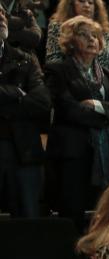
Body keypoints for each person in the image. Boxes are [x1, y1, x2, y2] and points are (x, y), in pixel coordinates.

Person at [45, 15, 109, 228]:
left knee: (107, 215)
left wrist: (96, 104)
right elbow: (70, 110)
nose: (92, 39)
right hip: (74, 154)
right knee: (73, 216)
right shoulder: (58, 70)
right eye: (84, 35)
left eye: (95, 35)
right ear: (71, 41)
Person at [0, 9, 50, 218]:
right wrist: (16, 92)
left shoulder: (25, 59)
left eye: (2, 15)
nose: (1, 19)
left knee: (28, 225)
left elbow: (43, 102)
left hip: (23, 150)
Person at [45, 0, 109, 82]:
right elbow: (53, 61)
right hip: (70, 84)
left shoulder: (107, 34)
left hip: (104, 88)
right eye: (82, 1)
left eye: (90, 2)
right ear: (71, 4)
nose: (87, 5)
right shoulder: (59, 28)